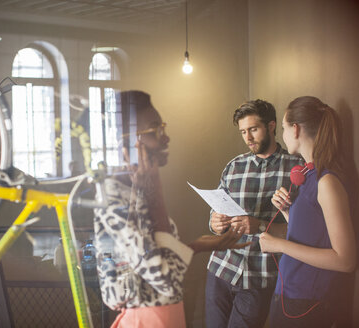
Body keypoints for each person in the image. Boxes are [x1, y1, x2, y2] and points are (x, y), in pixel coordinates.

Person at [93, 90, 250, 328]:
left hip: (168, 317)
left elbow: (159, 262)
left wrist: (200, 245)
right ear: (126, 141)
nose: (166, 138)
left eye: (163, 127)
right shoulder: (114, 197)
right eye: (155, 129)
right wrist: (155, 195)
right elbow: (166, 279)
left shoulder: (138, 187)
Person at [259, 96, 356, 327]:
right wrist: (286, 212)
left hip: (305, 304)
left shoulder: (327, 182)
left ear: (295, 129)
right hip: (288, 295)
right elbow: (313, 233)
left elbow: (345, 260)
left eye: (282, 128)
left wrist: (278, 245)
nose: (281, 135)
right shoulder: (308, 175)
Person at [205, 99, 303, 328]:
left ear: (271, 126)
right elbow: (216, 208)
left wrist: (259, 225)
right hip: (221, 268)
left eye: (253, 129)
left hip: (260, 276)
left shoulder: (296, 168)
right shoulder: (233, 166)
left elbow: (301, 229)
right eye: (243, 132)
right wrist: (214, 221)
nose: (247, 138)